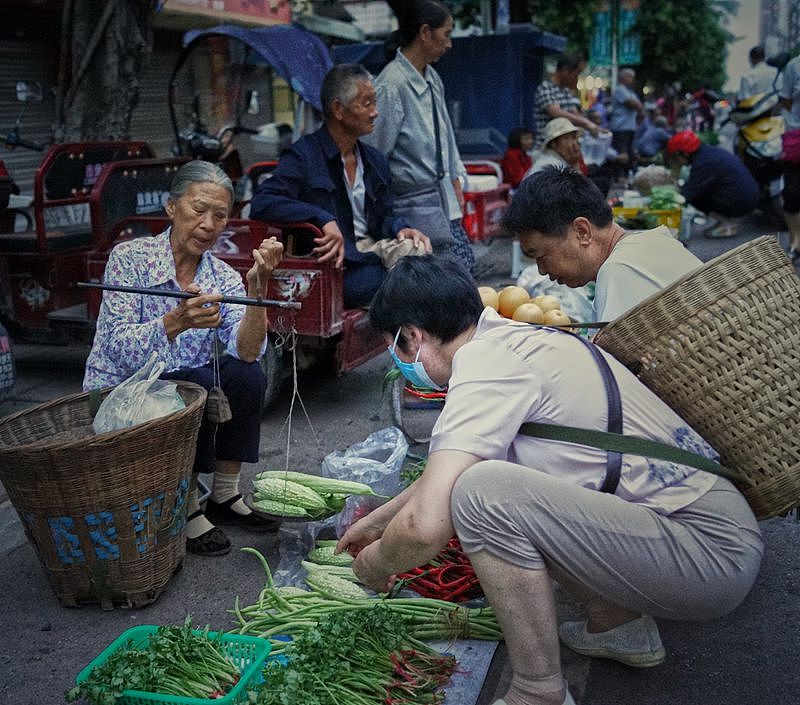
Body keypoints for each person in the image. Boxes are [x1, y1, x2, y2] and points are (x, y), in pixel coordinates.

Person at [336, 255, 763, 705]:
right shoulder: (517, 339)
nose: (398, 361)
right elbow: (443, 474)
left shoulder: (486, 367)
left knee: (481, 495)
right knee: (499, 482)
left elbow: (426, 527)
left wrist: (375, 564)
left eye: (394, 348)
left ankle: (538, 691)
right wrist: (378, 522)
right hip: (711, 532)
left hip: (709, 555)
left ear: (413, 336)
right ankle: (617, 624)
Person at [83, 160, 285, 556]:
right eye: (199, 209)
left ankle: (223, 495)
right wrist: (174, 321)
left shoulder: (222, 276)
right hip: (120, 394)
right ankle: (188, 503)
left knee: (245, 376)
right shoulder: (129, 259)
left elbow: (248, 351)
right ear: (172, 207)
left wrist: (258, 290)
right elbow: (116, 349)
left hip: (186, 389)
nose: (209, 224)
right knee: (199, 381)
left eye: (220, 215)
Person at [250, 64, 431, 309]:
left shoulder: (374, 160)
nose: (375, 112)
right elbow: (262, 203)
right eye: (366, 103)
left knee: (423, 255)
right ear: (338, 109)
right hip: (338, 267)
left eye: (374, 103)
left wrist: (402, 228)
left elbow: (384, 216)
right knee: (406, 279)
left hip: (370, 254)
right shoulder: (304, 156)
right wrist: (322, 218)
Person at [502, 167, 702, 322]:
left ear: (582, 232)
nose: (542, 270)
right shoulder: (654, 242)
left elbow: (614, 368)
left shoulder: (619, 270)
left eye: (541, 256)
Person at [363, 0, 475, 273]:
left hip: (441, 201)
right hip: (411, 209)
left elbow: (446, 136)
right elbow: (373, 155)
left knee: (462, 273)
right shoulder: (392, 85)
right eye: (446, 34)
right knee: (440, 282)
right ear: (425, 33)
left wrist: (455, 177)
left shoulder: (432, 77)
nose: (449, 44)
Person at [667, 129, 759, 238]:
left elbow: (688, 194)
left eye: (676, 157)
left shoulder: (703, 163)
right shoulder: (708, 152)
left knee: (697, 199)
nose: (677, 161)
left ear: (685, 153)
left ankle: (726, 224)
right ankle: (723, 221)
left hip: (743, 201)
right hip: (750, 194)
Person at [533, 53, 600, 150]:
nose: (576, 78)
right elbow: (556, 113)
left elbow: (574, 114)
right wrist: (587, 124)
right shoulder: (546, 87)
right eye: (576, 74)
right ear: (565, 70)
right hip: (547, 149)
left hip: (563, 150)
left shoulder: (566, 91)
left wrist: (594, 126)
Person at [780, 53, 800, 260]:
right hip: (797, 136)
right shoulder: (794, 66)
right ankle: (795, 241)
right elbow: (785, 100)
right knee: (792, 192)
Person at [609, 68, 644, 175]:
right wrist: (637, 106)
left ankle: (625, 176)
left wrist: (638, 106)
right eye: (630, 77)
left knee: (629, 153)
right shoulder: (620, 89)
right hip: (620, 127)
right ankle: (619, 177)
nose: (632, 80)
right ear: (623, 77)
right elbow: (634, 104)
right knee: (622, 154)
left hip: (629, 126)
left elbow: (639, 106)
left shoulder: (630, 92)